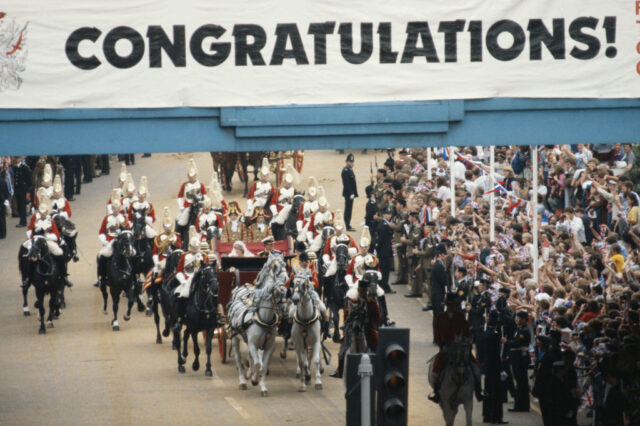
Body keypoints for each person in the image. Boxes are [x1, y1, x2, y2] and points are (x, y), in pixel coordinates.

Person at [429, 293, 485, 403]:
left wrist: (466, 342)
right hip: (446, 349)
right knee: (436, 369)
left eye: (453, 304)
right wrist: (443, 345)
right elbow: (436, 336)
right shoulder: (440, 317)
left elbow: (467, 333)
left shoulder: (460, 316)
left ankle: (479, 391)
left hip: (461, 349)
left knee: (476, 367)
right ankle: (436, 391)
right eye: (450, 304)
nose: (451, 307)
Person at [329, 279, 381, 378]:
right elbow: (345, 317)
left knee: (377, 346)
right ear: (358, 290)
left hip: (367, 329)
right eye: (361, 291)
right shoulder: (352, 301)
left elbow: (377, 318)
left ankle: (378, 369)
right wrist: (349, 316)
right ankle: (339, 371)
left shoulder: (372, 303)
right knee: (342, 350)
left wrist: (369, 320)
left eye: (365, 291)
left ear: (367, 290)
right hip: (353, 329)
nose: (363, 293)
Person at [174, 227, 209, 329]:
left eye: (196, 247)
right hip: (187, 279)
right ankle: (179, 320)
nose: (195, 249)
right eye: (193, 247)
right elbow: (179, 271)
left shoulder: (204, 256)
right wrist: (183, 280)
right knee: (181, 296)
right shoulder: (185, 256)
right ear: (190, 247)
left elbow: (206, 269)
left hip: (200, 279)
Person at [95, 190, 130, 288]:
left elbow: (127, 231)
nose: (116, 210)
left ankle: (134, 276)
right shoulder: (107, 218)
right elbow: (101, 232)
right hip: (110, 242)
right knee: (100, 256)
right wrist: (105, 241)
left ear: (120, 208)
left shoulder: (124, 218)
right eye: (114, 208)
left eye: (117, 208)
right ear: (112, 208)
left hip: (121, 242)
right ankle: (101, 278)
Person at [482, 310, 508, 424]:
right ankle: (496, 417)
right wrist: (501, 368)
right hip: (495, 367)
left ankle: (486, 415)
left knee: (487, 391)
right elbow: (497, 354)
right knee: (496, 393)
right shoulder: (496, 335)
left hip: (487, 366)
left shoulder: (485, 333)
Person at [503, 311, 531, 412]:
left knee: (521, 382)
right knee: (520, 381)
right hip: (517, 357)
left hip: (520, 358)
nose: (516, 320)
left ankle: (520, 405)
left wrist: (507, 342)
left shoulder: (524, 330)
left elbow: (518, 343)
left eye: (519, 318)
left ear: (523, 319)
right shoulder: (519, 329)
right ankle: (521, 404)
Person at [152, 207, 182, 279]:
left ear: (172, 226)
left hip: (175, 259)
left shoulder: (176, 236)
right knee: (156, 273)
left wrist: (173, 242)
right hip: (164, 259)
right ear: (163, 227)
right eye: (166, 226)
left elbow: (179, 248)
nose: (168, 228)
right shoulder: (159, 238)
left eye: (169, 226)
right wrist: (157, 262)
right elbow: (155, 252)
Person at [176, 159, 207, 228]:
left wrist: (204, 203)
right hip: (188, 205)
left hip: (199, 205)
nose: (192, 178)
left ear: (196, 175)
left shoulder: (200, 184)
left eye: (193, 176)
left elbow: (205, 195)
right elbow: (180, 196)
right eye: (190, 177)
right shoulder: (184, 185)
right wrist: (181, 206)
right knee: (181, 221)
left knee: (204, 219)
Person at [375, 207, 395, 294]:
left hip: (385, 251)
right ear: (383, 215)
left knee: (385, 270)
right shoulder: (384, 225)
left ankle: (384, 286)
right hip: (384, 251)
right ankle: (384, 287)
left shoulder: (385, 224)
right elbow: (381, 240)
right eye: (387, 214)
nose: (389, 215)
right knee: (384, 270)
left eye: (390, 214)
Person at [429, 244, 449, 321]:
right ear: (440, 255)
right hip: (438, 294)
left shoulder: (438, 265)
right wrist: (446, 292)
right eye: (444, 254)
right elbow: (443, 282)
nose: (446, 256)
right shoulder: (439, 266)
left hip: (436, 293)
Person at [341, 153, 357, 232]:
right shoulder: (345, 171)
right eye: (350, 162)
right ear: (347, 162)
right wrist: (351, 193)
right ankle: (346, 225)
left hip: (351, 194)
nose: (352, 163)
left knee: (349, 209)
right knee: (348, 210)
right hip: (348, 194)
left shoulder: (349, 170)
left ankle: (347, 224)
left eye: (352, 162)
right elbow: (346, 184)